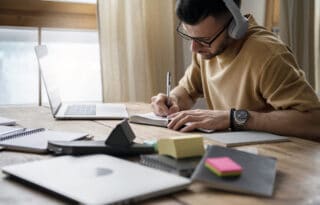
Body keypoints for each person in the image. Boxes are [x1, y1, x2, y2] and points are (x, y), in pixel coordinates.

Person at [151, 0, 320, 140]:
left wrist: (234, 118)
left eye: (204, 40)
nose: (194, 48)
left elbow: (314, 122)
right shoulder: (205, 51)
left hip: (280, 159)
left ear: (235, 27)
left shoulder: (268, 56)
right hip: (233, 152)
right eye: (190, 36)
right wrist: (173, 100)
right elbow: (187, 91)